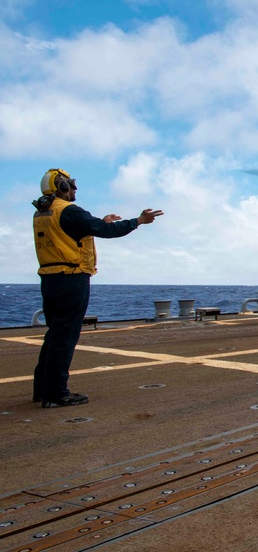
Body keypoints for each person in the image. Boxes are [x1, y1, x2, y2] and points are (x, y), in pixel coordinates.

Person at [31, 168, 164, 408]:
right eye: (70, 184)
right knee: (65, 338)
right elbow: (106, 231)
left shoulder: (43, 212)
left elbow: (74, 232)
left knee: (54, 335)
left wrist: (100, 222)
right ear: (61, 187)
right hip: (71, 278)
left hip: (50, 279)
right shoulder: (69, 211)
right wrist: (139, 221)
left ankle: (42, 389)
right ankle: (56, 394)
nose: (74, 189)